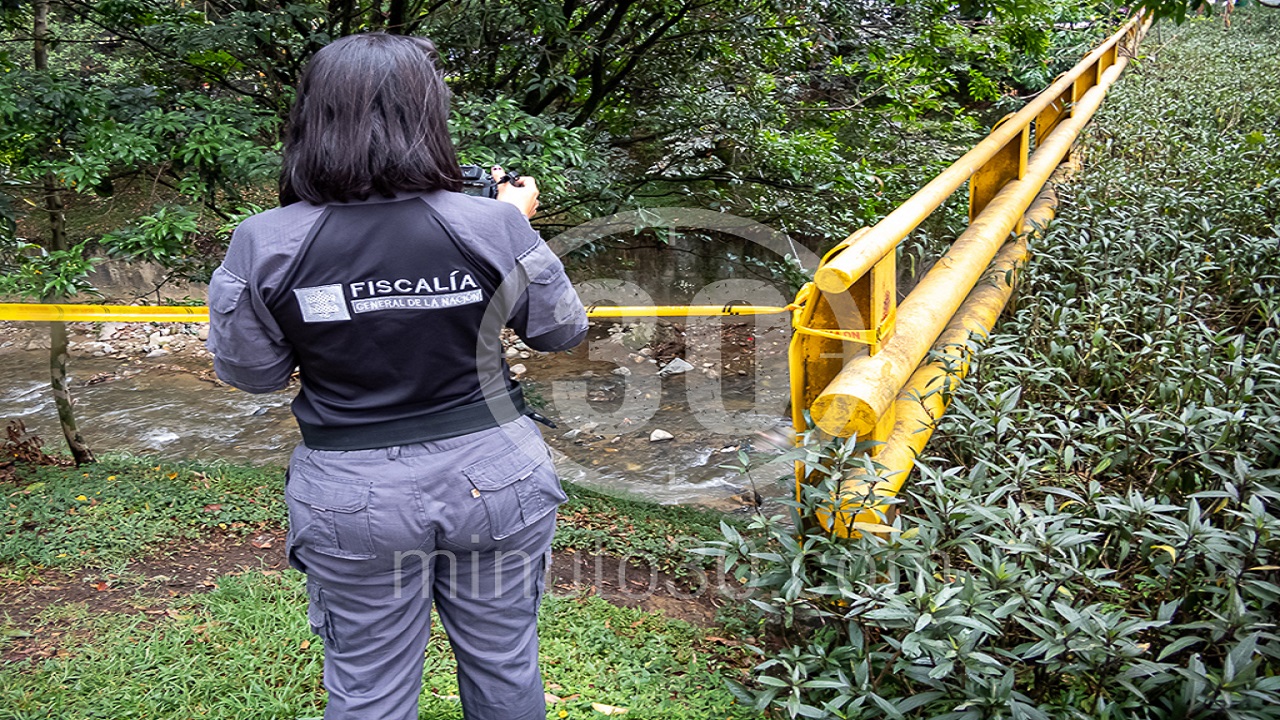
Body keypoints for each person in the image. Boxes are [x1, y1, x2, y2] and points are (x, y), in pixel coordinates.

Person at [206, 32, 587, 720]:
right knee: (505, 666)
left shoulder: (262, 241)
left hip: (351, 494)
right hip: (497, 475)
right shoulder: (493, 225)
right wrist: (513, 225)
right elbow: (560, 331)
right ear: (428, 116)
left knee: (369, 688)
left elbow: (255, 373)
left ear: (312, 119)